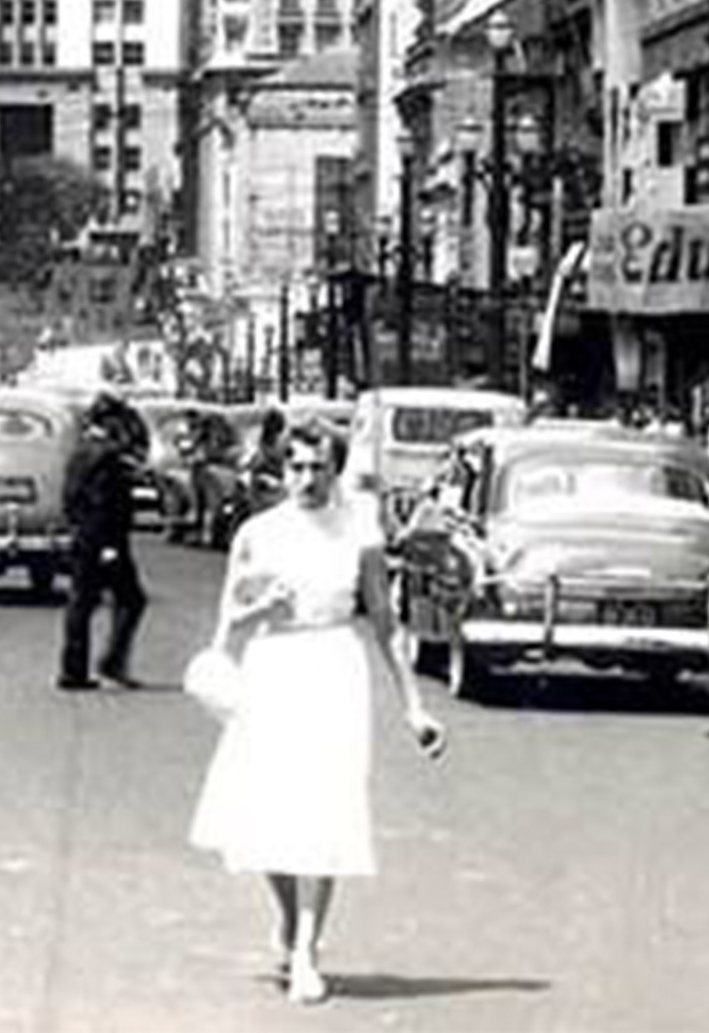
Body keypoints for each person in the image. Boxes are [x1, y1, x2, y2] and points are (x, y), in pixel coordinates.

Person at [185, 414, 445, 1006]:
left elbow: (386, 624)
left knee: (326, 810)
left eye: (319, 468)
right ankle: (287, 915)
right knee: (267, 810)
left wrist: (415, 708)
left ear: (336, 470)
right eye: (297, 467)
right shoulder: (257, 534)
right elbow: (226, 630)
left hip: (333, 668)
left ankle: (306, 950)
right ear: (282, 470)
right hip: (273, 668)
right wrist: (261, 612)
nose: (307, 479)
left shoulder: (360, 533)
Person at [60, 398, 151, 691]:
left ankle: (74, 669)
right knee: (131, 600)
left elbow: (70, 499)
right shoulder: (106, 457)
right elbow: (105, 505)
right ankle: (110, 662)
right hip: (105, 540)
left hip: (84, 537)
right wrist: (108, 546)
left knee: (81, 603)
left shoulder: (80, 452)